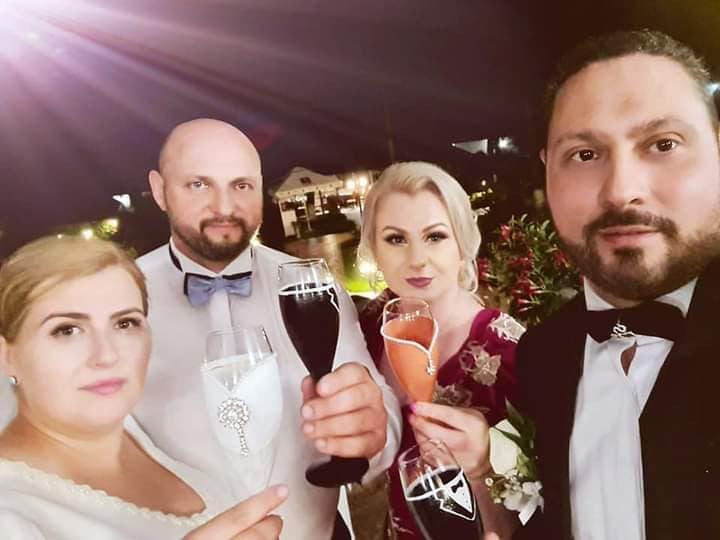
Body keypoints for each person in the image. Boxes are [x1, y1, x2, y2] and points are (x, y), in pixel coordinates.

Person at [134, 118, 402, 540]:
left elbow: (379, 406)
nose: (224, 206)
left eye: (241, 185)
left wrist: (374, 433)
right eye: (199, 185)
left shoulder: (313, 285)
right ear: (159, 189)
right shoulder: (118, 303)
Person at [517, 29, 720, 539]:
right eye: (585, 154)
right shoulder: (540, 355)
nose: (622, 191)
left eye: (663, 144)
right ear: (547, 172)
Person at [0, 235, 288, 539]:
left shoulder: (134, 432)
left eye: (125, 323)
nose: (107, 355)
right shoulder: (9, 514)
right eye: (67, 330)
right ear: (7, 356)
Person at [357, 161, 523, 539]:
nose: (417, 259)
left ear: (462, 244)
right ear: (374, 249)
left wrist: (482, 470)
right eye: (396, 239)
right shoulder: (365, 328)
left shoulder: (510, 352)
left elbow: (535, 511)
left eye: (435, 236)